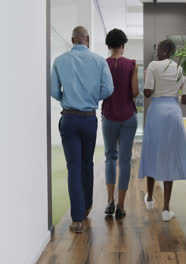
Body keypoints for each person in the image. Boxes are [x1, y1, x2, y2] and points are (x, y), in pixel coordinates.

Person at [51, 26, 114, 233]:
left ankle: (76, 220)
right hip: (88, 119)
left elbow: (53, 91)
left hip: (68, 119)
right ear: (87, 39)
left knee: (73, 167)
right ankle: (87, 206)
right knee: (87, 163)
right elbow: (109, 89)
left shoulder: (60, 61)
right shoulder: (98, 61)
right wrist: (91, 98)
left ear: (72, 40)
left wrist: (67, 99)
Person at [138, 39, 186, 222]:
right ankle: (166, 209)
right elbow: (185, 99)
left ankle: (150, 198)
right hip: (173, 112)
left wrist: (147, 77)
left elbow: (147, 92)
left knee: (152, 152)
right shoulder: (181, 70)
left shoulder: (153, 66)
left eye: (158, 49)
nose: (157, 52)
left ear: (165, 50)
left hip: (157, 112)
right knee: (169, 157)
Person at [102, 29, 139, 219]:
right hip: (127, 117)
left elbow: (101, 90)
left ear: (108, 46)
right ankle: (121, 206)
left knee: (110, 157)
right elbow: (134, 92)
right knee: (124, 160)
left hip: (109, 116)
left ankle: (109, 201)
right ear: (123, 45)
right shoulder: (131, 64)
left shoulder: (103, 64)